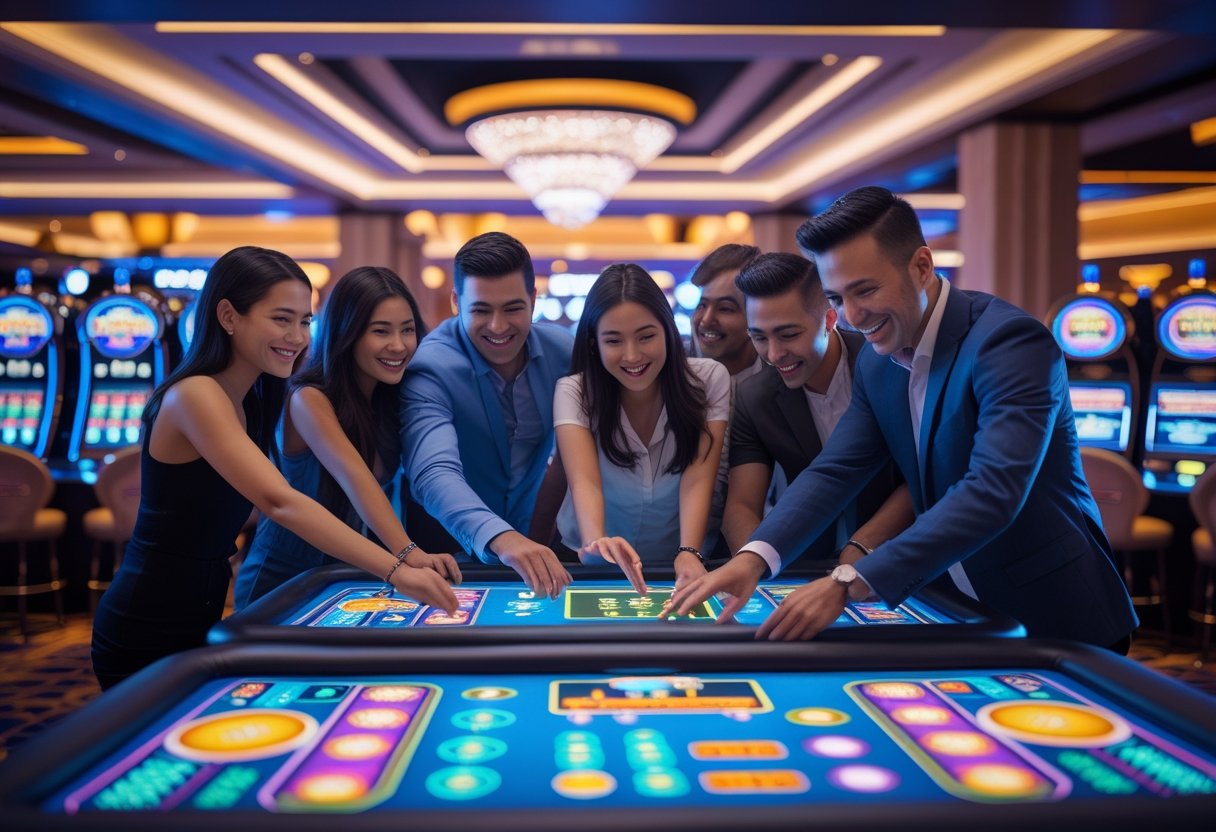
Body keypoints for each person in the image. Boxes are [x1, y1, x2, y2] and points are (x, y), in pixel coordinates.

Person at [667, 186, 1138, 651]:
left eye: (865, 289)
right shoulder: (877, 360)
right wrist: (753, 558)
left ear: (922, 266)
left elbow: (994, 490)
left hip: (1053, 611)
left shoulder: (1008, 342)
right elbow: (837, 469)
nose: (851, 315)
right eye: (836, 297)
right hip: (954, 605)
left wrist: (849, 579)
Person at [92, 247, 457, 690]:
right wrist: (398, 567)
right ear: (228, 316)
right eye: (281, 319)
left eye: (304, 321)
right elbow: (280, 502)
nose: (298, 336)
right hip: (146, 615)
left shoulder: (253, 397)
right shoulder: (196, 394)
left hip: (199, 606)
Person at [232, 266, 462, 609]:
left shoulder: (393, 398)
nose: (398, 345)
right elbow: (356, 479)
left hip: (350, 573)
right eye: (380, 331)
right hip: (283, 575)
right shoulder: (308, 397)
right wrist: (408, 554)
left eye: (408, 330)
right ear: (347, 333)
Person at [401, 232, 574, 597]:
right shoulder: (430, 367)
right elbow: (433, 472)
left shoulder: (564, 352)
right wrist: (500, 536)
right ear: (455, 302)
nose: (498, 326)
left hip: (534, 549)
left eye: (512, 308)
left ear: (533, 299)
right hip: (442, 554)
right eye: (481, 310)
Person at [723, 252, 913, 567]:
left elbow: (919, 478)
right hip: (801, 562)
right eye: (759, 337)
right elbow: (741, 505)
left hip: (896, 556)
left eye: (788, 335)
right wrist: (753, 566)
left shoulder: (888, 367)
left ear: (829, 319)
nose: (773, 354)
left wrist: (861, 548)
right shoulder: (753, 397)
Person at [554, 263, 729, 592]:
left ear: (668, 330)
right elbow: (585, 483)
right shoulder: (573, 390)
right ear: (594, 343)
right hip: (590, 560)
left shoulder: (708, 379)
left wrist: (689, 551)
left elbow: (698, 478)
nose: (632, 355)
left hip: (682, 560)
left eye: (646, 336)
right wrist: (599, 544)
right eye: (614, 340)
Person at [689, 243, 763, 381]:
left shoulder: (783, 384)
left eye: (725, 308)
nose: (706, 319)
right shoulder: (672, 375)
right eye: (702, 305)